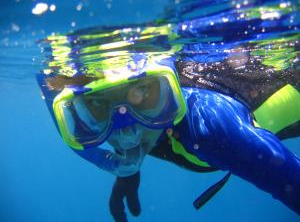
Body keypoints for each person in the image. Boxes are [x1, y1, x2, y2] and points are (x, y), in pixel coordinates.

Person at [38, 56, 300, 222]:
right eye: (95, 104)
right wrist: (124, 168)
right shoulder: (99, 122)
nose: (127, 136)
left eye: (143, 93)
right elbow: (51, 86)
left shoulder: (211, 128)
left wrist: (114, 164)